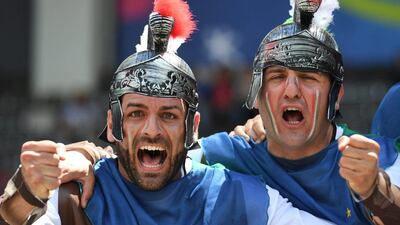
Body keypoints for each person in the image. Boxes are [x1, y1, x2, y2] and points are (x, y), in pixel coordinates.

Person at [0, 1, 336, 224]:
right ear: (112, 124)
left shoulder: (241, 199)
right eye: (135, 114)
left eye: (169, 116)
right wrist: (27, 190)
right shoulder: (77, 198)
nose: (151, 129)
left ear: (193, 128)